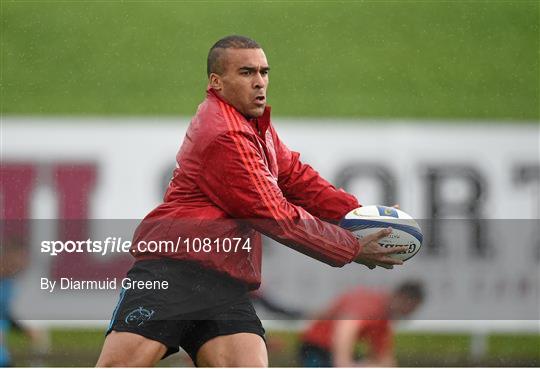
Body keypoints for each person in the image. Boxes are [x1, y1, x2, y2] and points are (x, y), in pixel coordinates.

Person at [96, 35, 407, 367]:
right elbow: (274, 215)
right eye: (246, 73)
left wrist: (359, 215)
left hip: (224, 282)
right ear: (216, 82)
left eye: (263, 72)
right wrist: (350, 246)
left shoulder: (255, 127)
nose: (260, 82)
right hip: (174, 274)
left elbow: (298, 178)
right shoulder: (225, 133)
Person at [299, 281, 424, 367]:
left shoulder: (384, 317)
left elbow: (383, 357)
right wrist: (343, 364)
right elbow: (345, 330)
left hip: (335, 350)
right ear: (402, 299)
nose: (410, 313)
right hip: (317, 347)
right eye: (412, 308)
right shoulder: (372, 305)